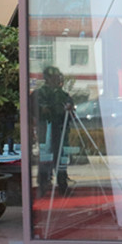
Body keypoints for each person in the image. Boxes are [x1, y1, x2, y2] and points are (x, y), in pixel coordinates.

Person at [33, 66, 73, 196]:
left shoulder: (63, 94)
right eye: (55, 77)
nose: (58, 79)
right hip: (46, 130)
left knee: (60, 158)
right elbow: (35, 110)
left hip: (60, 131)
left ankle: (62, 184)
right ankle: (43, 184)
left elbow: (70, 108)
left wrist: (69, 107)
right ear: (48, 78)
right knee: (45, 158)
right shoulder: (40, 93)